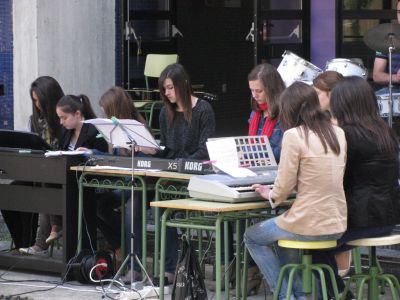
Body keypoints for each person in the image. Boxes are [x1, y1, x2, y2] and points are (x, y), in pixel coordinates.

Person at [244, 81, 347, 300]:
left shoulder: (293, 135)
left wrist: (269, 193)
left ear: (289, 109)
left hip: (307, 223)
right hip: (337, 223)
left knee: (252, 236)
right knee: (283, 236)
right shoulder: (337, 132)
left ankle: (286, 295)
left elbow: (283, 188)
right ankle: (297, 294)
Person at [313, 76, 400, 298]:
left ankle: (339, 295)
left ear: (343, 104)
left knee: (311, 246)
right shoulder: (384, 131)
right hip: (387, 218)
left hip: (360, 220)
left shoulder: (347, 135)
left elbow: (331, 179)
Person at [19, 94, 109, 255]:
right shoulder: (66, 132)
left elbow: (105, 159)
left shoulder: (94, 131)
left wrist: (88, 153)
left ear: (77, 114)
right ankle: (52, 230)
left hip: (87, 184)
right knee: (45, 184)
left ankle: (47, 236)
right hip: (67, 181)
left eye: (64, 118)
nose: (61, 122)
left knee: (48, 188)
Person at [157, 63, 216, 282]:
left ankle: (174, 268)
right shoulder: (165, 112)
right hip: (170, 175)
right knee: (158, 204)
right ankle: (168, 270)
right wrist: (152, 151)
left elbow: (205, 148)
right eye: (164, 89)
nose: (167, 93)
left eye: (170, 87)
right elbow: (165, 147)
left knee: (167, 206)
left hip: (194, 175)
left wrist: (182, 164)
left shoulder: (203, 110)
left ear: (183, 85)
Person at [97, 86, 154, 283]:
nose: (103, 113)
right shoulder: (113, 129)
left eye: (106, 110)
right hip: (124, 183)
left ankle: (135, 267)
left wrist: (136, 149)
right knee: (98, 204)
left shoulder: (138, 127)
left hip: (140, 183)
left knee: (132, 210)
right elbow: (114, 160)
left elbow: (151, 154)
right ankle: (121, 244)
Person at [1, 76, 64, 251]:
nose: (37, 105)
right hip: (39, 171)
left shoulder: (63, 119)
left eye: (39, 101)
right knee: (9, 195)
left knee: (40, 192)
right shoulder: (34, 120)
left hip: (58, 175)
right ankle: (23, 245)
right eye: (34, 101)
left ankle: (36, 244)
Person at [248, 63, 285, 162]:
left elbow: (283, 152)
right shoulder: (255, 112)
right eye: (252, 90)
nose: (254, 95)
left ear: (272, 89)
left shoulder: (285, 112)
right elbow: (249, 144)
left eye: (259, 91)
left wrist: (249, 153)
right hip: (257, 167)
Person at [372, 0, 400, 93]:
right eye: (399, 12)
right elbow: (376, 75)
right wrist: (396, 77)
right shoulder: (387, 39)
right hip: (394, 90)